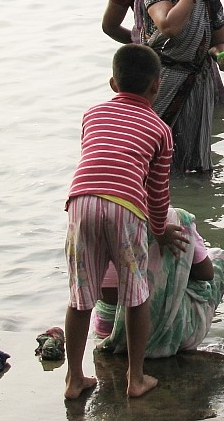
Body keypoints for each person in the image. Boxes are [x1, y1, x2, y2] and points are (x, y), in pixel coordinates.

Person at [62, 44, 186, 400]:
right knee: (135, 295)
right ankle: (135, 378)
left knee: (80, 295)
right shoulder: (160, 130)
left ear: (113, 83)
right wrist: (160, 232)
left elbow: (94, 157)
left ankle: (73, 379)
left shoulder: (92, 114)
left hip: (81, 201)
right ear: (156, 87)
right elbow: (158, 192)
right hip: (126, 208)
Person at [142, 0, 224, 174]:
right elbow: (168, 26)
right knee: (153, 149)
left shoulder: (210, 0)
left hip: (197, 83)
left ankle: (196, 199)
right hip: (161, 81)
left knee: (194, 158)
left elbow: (218, 42)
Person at [95, 207, 224, 358]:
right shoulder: (176, 219)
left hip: (107, 330)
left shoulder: (103, 214)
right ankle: (181, 325)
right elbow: (206, 273)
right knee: (222, 258)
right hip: (152, 334)